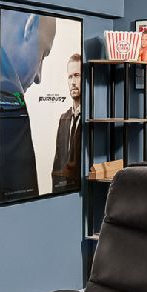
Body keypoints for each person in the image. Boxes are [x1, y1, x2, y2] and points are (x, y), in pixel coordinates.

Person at [0, 11, 56, 202]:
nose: (39, 76)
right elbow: (20, 205)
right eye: (43, 55)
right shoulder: (10, 105)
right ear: (29, 26)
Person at [52, 54, 83, 191]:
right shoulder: (63, 119)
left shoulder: (89, 118)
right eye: (70, 77)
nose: (73, 82)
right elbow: (57, 162)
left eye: (77, 75)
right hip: (63, 190)